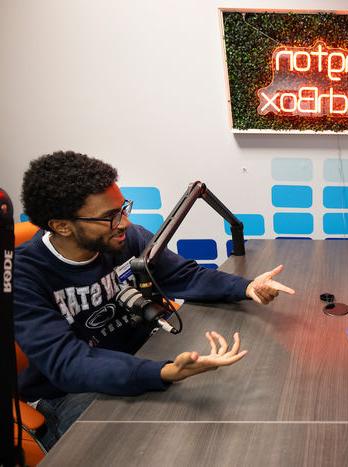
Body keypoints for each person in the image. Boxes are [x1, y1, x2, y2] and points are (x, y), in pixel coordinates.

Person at [14, 151, 295, 449]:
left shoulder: (126, 239)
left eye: (122, 208)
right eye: (109, 217)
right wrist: (161, 372)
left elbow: (184, 277)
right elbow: (69, 364)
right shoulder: (22, 277)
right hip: (72, 391)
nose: (123, 223)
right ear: (61, 226)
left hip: (143, 357)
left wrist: (247, 287)